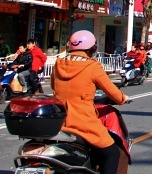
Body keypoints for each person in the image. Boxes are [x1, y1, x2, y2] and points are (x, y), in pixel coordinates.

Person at [52, 30, 130, 174]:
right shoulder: (92, 66)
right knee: (112, 153)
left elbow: (53, 86)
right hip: (83, 121)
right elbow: (110, 90)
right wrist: (122, 98)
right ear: (93, 48)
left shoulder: (59, 63)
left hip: (59, 120)